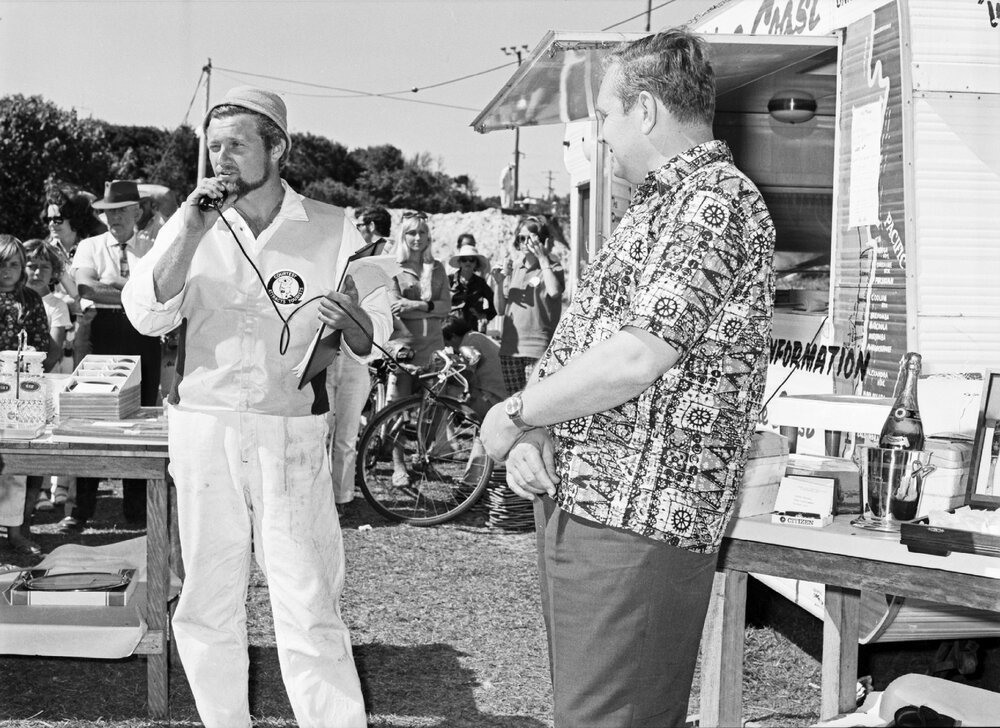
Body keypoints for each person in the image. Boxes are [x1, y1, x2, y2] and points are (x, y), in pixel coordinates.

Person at [480, 29, 776, 727]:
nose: (603, 136)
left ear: (644, 111)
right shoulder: (663, 203)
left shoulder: (712, 202)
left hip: (639, 520)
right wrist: (543, 426)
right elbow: (589, 336)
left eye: (608, 115)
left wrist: (517, 413)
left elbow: (637, 356)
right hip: (595, 506)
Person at [122, 85, 388, 728]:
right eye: (213, 148)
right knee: (208, 597)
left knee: (307, 598)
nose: (222, 159)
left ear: (279, 148)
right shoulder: (187, 223)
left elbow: (374, 336)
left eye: (237, 145)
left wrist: (352, 319)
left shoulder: (334, 225)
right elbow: (145, 312)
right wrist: (190, 226)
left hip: (289, 430)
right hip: (204, 427)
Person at [58, 180, 162, 533]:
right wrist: (132, 290)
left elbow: (159, 293)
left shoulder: (154, 246)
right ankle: (78, 507)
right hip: (97, 332)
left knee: (142, 416)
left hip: (142, 333)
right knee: (87, 414)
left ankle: (136, 507)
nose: (113, 217)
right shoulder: (90, 245)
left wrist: (114, 288)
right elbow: (86, 288)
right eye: (107, 211)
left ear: (137, 211)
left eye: (120, 210)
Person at [325, 206, 393, 512]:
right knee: (322, 431)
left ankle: (342, 497)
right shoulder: (326, 258)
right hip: (326, 357)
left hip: (355, 360)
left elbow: (380, 316)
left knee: (347, 433)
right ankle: (320, 498)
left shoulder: (371, 266)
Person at [386, 211, 451, 487]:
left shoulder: (436, 268)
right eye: (411, 233)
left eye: (422, 233)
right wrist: (430, 310)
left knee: (434, 408)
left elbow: (446, 308)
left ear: (428, 237)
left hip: (434, 348)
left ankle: (424, 460)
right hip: (406, 348)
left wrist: (416, 306)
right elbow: (392, 308)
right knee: (397, 409)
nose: (417, 238)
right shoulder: (393, 267)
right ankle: (398, 466)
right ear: (403, 236)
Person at [0, 235, 53, 557]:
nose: (7, 271)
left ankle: (18, 530)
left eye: (14, 264)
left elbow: (42, 342)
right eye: (1, 264)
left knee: (20, 465)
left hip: (21, 394)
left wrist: (32, 352)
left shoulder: (31, 299)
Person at [22, 239, 73, 516]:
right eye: (31, 265)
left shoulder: (57, 306)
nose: (37, 272)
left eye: (44, 267)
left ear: (53, 272)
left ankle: (42, 494)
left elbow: (51, 355)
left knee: (41, 443)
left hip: (43, 383)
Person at [491, 216, 564, 396]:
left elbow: (554, 291)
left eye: (530, 238)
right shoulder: (515, 269)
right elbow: (500, 310)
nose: (525, 243)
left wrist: (543, 258)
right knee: (514, 406)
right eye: (521, 238)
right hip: (511, 349)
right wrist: (499, 284)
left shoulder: (552, 267)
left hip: (538, 348)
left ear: (542, 240)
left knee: (534, 404)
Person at [448, 233, 496, 334]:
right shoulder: (449, 281)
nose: (468, 263)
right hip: (451, 332)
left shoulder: (481, 283)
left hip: (473, 330)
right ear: (460, 262)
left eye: (471, 259)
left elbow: (495, 305)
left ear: (476, 263)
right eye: (464, 260)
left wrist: (484, 315)